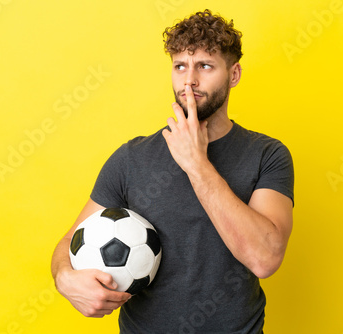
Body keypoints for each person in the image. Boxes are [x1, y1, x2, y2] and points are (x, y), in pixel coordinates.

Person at [51, 9, 294, 333]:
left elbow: (264, 258)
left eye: (205, 66)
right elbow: (68, 243)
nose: (189, 80)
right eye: (180, 66)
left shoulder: (267, 154)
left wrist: (196, 163)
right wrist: (65, 279)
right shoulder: (130, 159)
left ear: (233, 74)